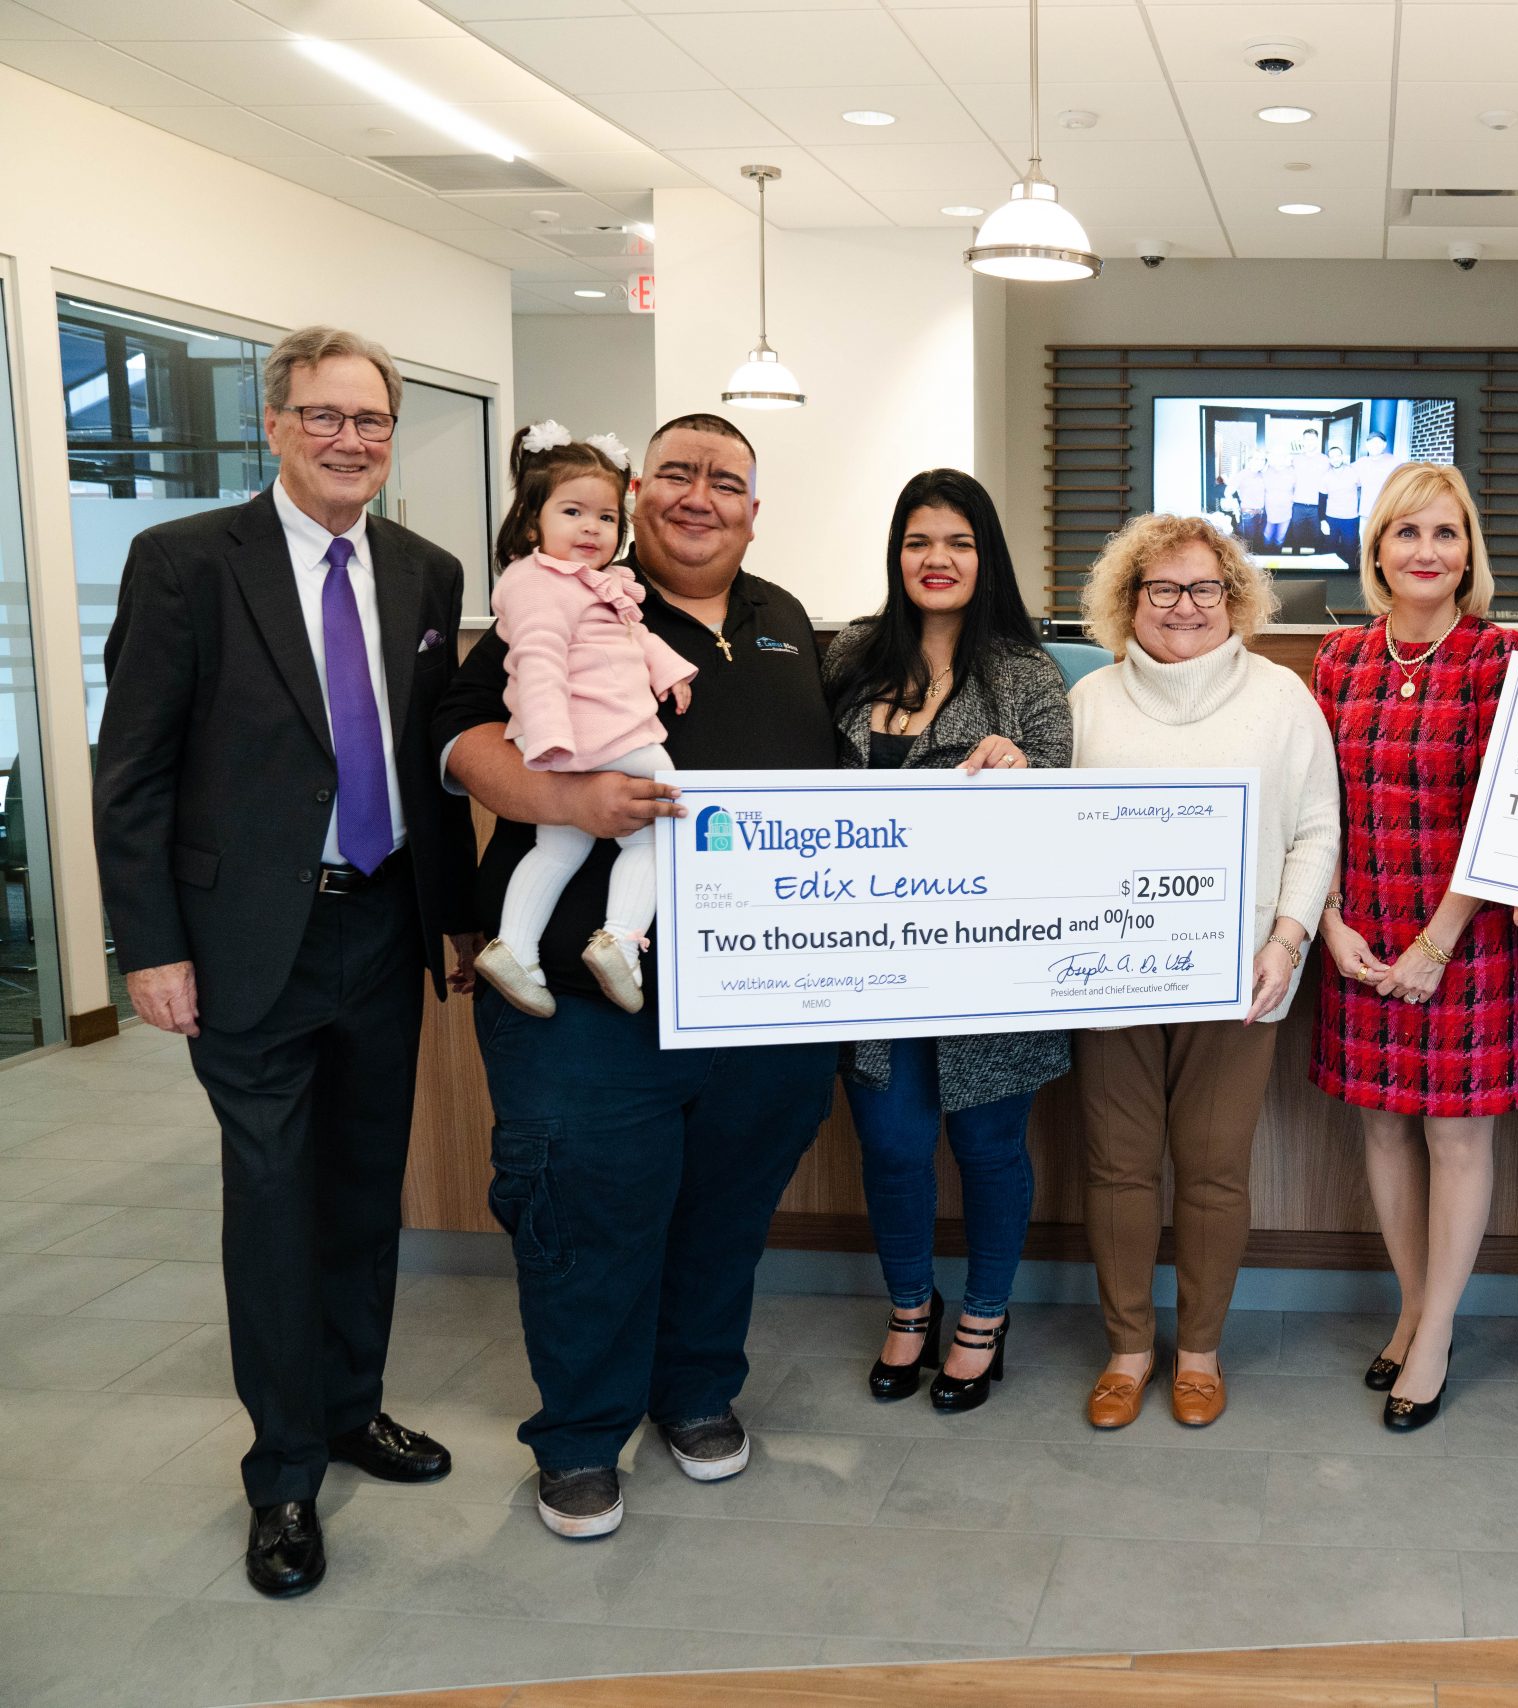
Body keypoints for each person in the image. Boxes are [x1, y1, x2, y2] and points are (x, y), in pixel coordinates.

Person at [94, 324, 480, 1597]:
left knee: (365, 1187)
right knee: (271, 1199)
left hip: (378, 921)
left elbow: (425, 761)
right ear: (274, 424)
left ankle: (353, 1405)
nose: (349, 440)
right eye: (324, 416)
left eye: (370, 421)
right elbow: (132, 771)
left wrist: (455, 916)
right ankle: (284, 1475)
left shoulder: (426, 572)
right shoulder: (186, 563)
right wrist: (147, 945)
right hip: (248, 939)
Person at [439, 413, 841, 1540]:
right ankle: (579, 1436)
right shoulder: (563, 586)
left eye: (726, 480)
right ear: (631, 492)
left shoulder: (785, 622)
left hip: (760, 993)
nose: (697, 496)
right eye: (674, 474)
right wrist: (564, 801)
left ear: (755, 509)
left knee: (724, 1211)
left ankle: (695, 1393)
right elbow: (463, 734)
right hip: (579, 997)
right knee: (587, 1213)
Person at [1070, 514, 1341, 1429]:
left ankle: (1198, 1353)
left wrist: (1288, 939)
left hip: (1241, 980)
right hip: (1108, 973)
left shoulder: (1281, 699)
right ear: (1128, 601)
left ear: (1234, 599)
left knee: (1215, 1169)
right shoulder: (1089, 702)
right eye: (1162, 590)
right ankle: (1127, 1350)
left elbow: (1316, 830)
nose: (1184, 608)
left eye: (1204, 589)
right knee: (1117, 1167)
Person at [825, 468, 1072, 1415]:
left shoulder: (1026, 671)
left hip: (988, 963)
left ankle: (983, 1318)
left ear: (986, 555)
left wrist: (1024, 769)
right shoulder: (848, 655)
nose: (938, 559)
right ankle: (907, 1306)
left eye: (959, 542)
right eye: (919, 541)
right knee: (889, 1145)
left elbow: (1066, 818)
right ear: (897, 554)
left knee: (987, 1146)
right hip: (870, 955)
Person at [1312, 461, 1518, 1432]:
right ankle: (1410, 1303)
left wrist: (1439, 940)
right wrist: (1328, 922)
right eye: (1407, 533)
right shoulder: (1338, 659)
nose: (1426, 552)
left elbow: (1505, 817)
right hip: (1360, 929)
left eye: (1445, 533)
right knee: (1384, 1127)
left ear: (1469, 550)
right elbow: (1314, 808)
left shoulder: (1496, 658)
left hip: (1463, 935)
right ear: (1378, 552)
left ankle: (1435, 1330)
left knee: (1454, 1135)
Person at [472, 423, 693, 1017]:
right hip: (607, 735)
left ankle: (515, 947)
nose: (593, 528)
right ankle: (621, 938)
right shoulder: (539, 588)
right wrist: (547, 741)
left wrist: (670, 671)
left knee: (557, 849)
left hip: (583, 741)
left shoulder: (588, 585)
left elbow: (630, 636)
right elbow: (537, 664)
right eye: (573, 512)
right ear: (529, 523)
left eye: (605, 518)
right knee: (662, 828)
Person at [1286, 429, 1328, 553]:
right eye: (1307, 439)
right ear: (1303, 441)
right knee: (1296, 538)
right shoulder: (1295, 459)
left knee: (1318, 538)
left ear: (1317, 440)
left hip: (1317, 507)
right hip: (1298, 505)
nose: (1309, 442)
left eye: (1312, 439)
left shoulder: (1325, 459)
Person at [1321, 443, 1363, 560]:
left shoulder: (1354, 472)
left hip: (1350, 518)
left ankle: (1348, 575)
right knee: (1329, 550)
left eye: (1338, 456)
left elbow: (1362, 490)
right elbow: (1322, 499)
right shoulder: (1326, 476)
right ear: (1329, 459)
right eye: (1332, 457)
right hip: (1331, 518)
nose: (1335, 459)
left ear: (1342, 457)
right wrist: (1322, 520)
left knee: (1350, 549)